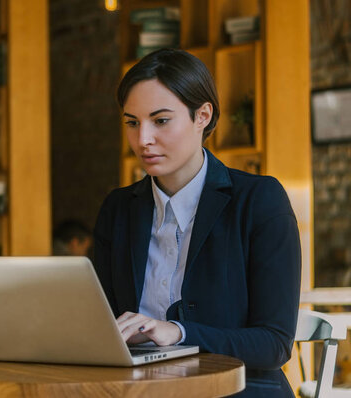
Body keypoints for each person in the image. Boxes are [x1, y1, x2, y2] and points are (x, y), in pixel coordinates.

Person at [93, 48, 301, 397]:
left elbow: (274, 343)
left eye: (160, 121)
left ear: (202, 115)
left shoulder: (259, 200)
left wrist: (178, 331)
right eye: (132, 122)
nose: (142, 140)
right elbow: (102, 324)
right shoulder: (118, 209)